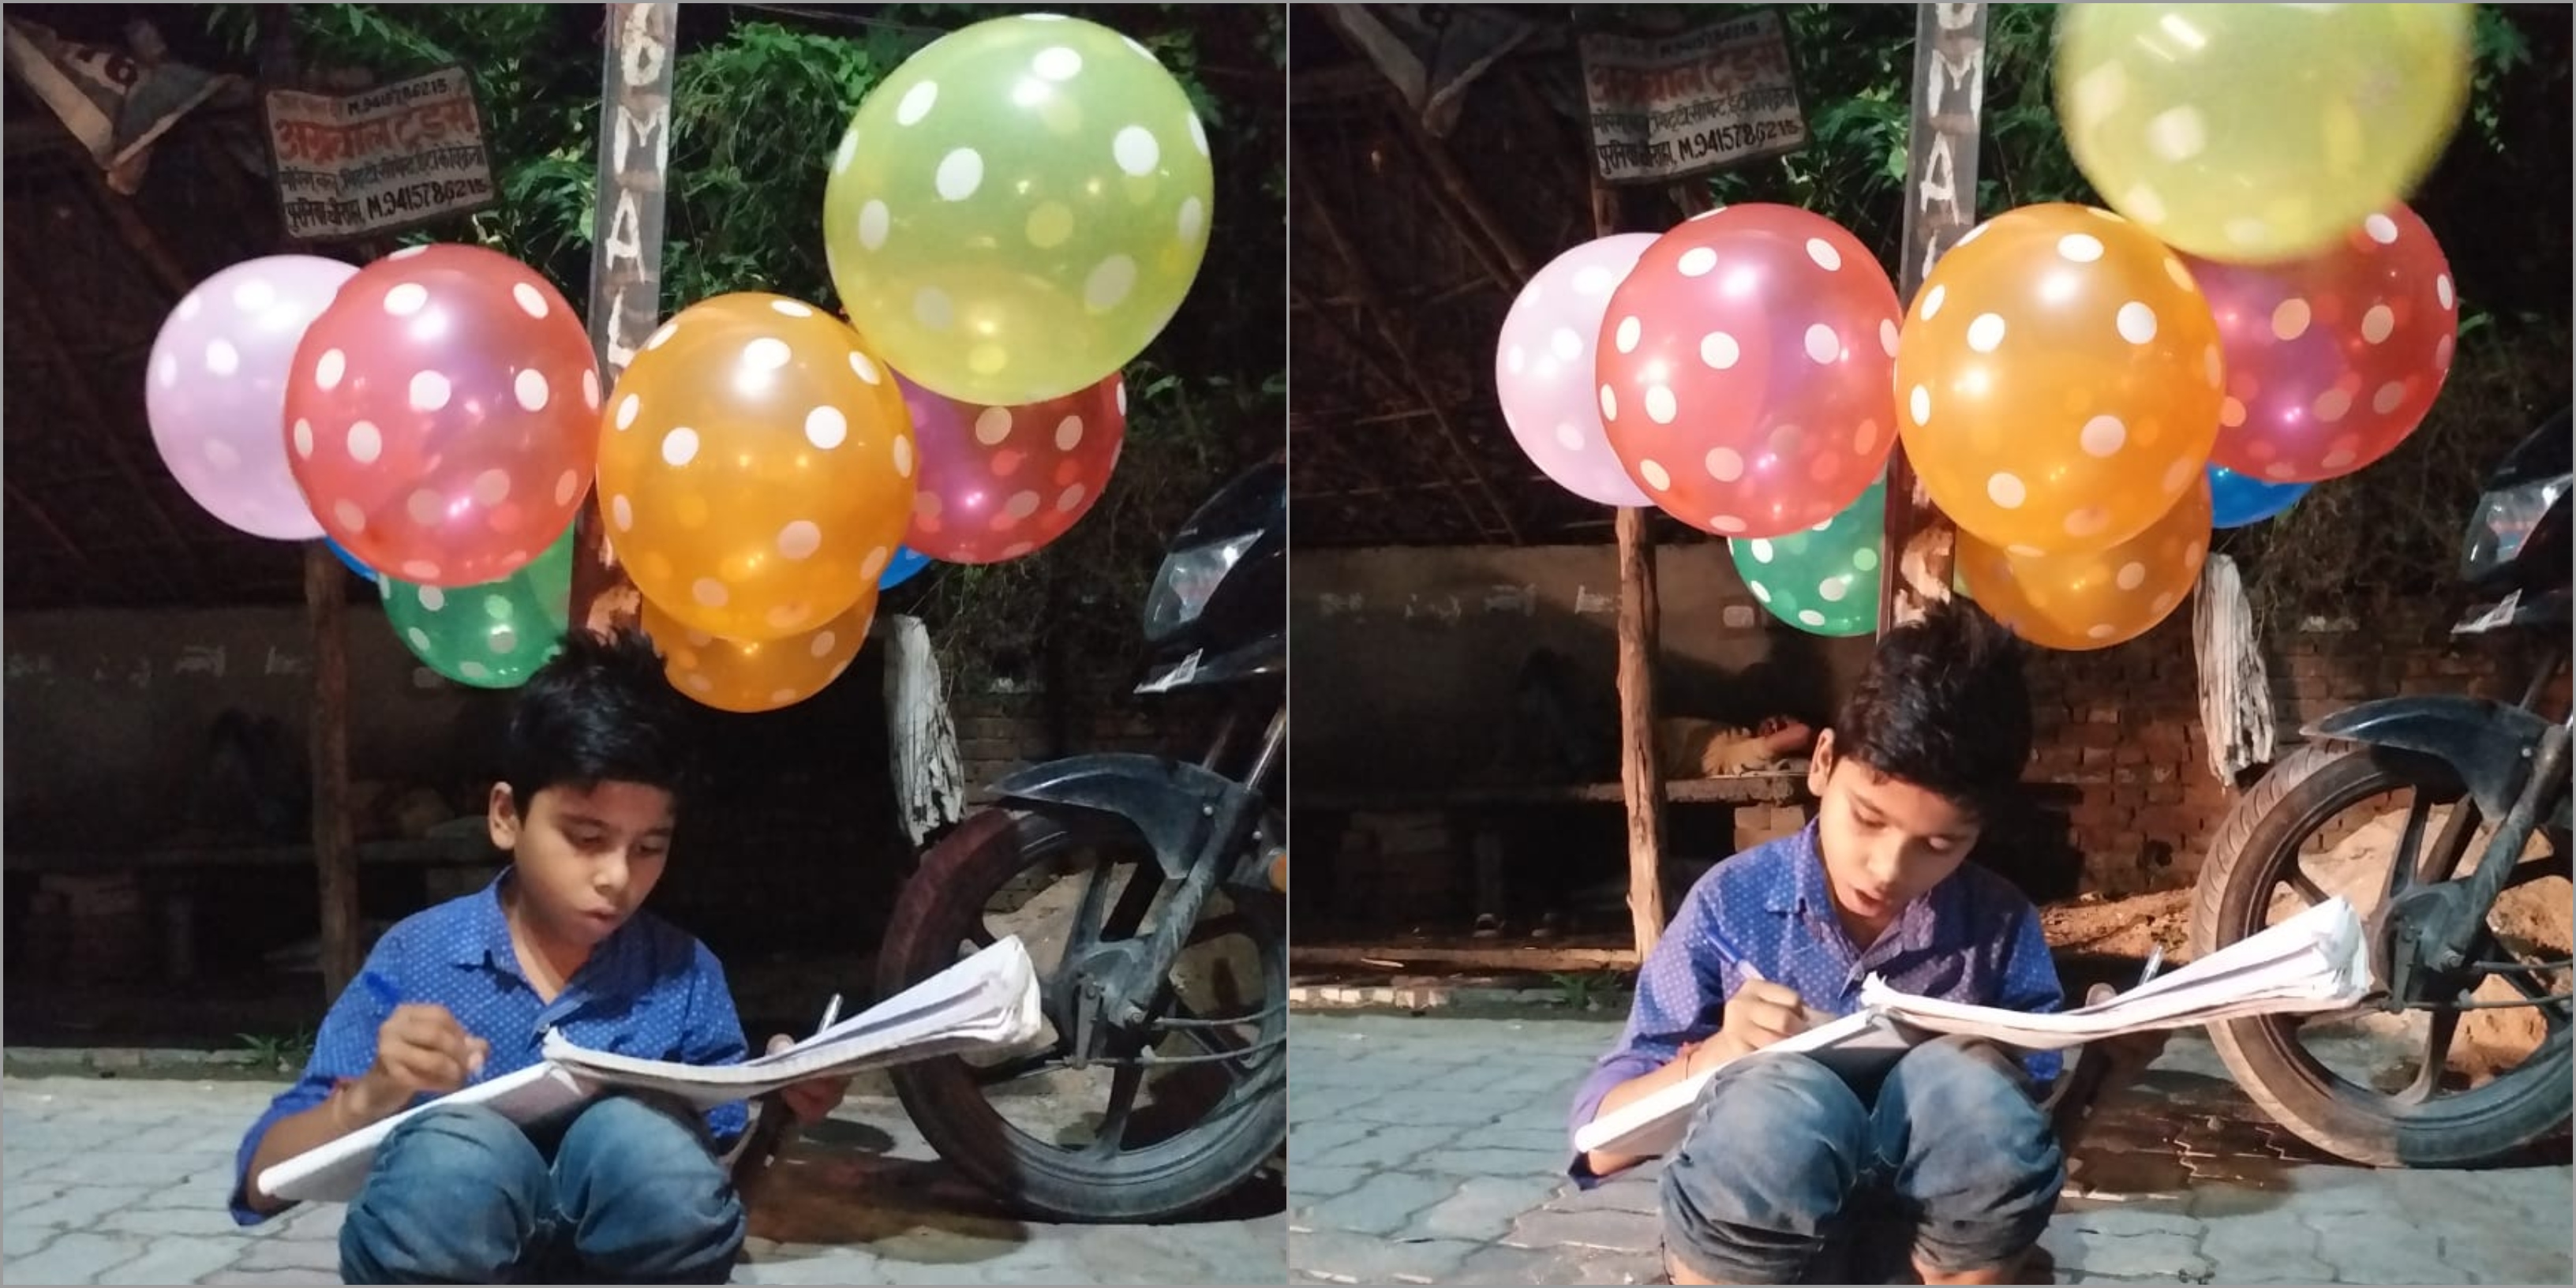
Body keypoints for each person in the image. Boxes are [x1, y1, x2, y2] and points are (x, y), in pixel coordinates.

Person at [229, 627, 848, 1284]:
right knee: (453, 1162)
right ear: (505, 816)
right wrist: (368, 1099)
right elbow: (264, 1180)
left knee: (647, 1147)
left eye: (649, 847)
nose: (617, 877)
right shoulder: (420, 959)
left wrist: (783, 1108)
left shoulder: (684, 975)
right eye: (586, 838)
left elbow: (709, 1199)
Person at [1567, 601, 2149, 1286]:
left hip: (1939, 1259)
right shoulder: (1732, 904)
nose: (1887, 868)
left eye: (1939, 845)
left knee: (1969, 1090)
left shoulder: (1997, 925)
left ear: (1979, 832)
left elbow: (2025, 1148)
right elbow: (1596, 1145)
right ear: (1821, 763)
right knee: (1773, 1108)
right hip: (1757, 1257)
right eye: (1867, 818)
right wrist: (1720, 1055)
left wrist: (2106, 1074)